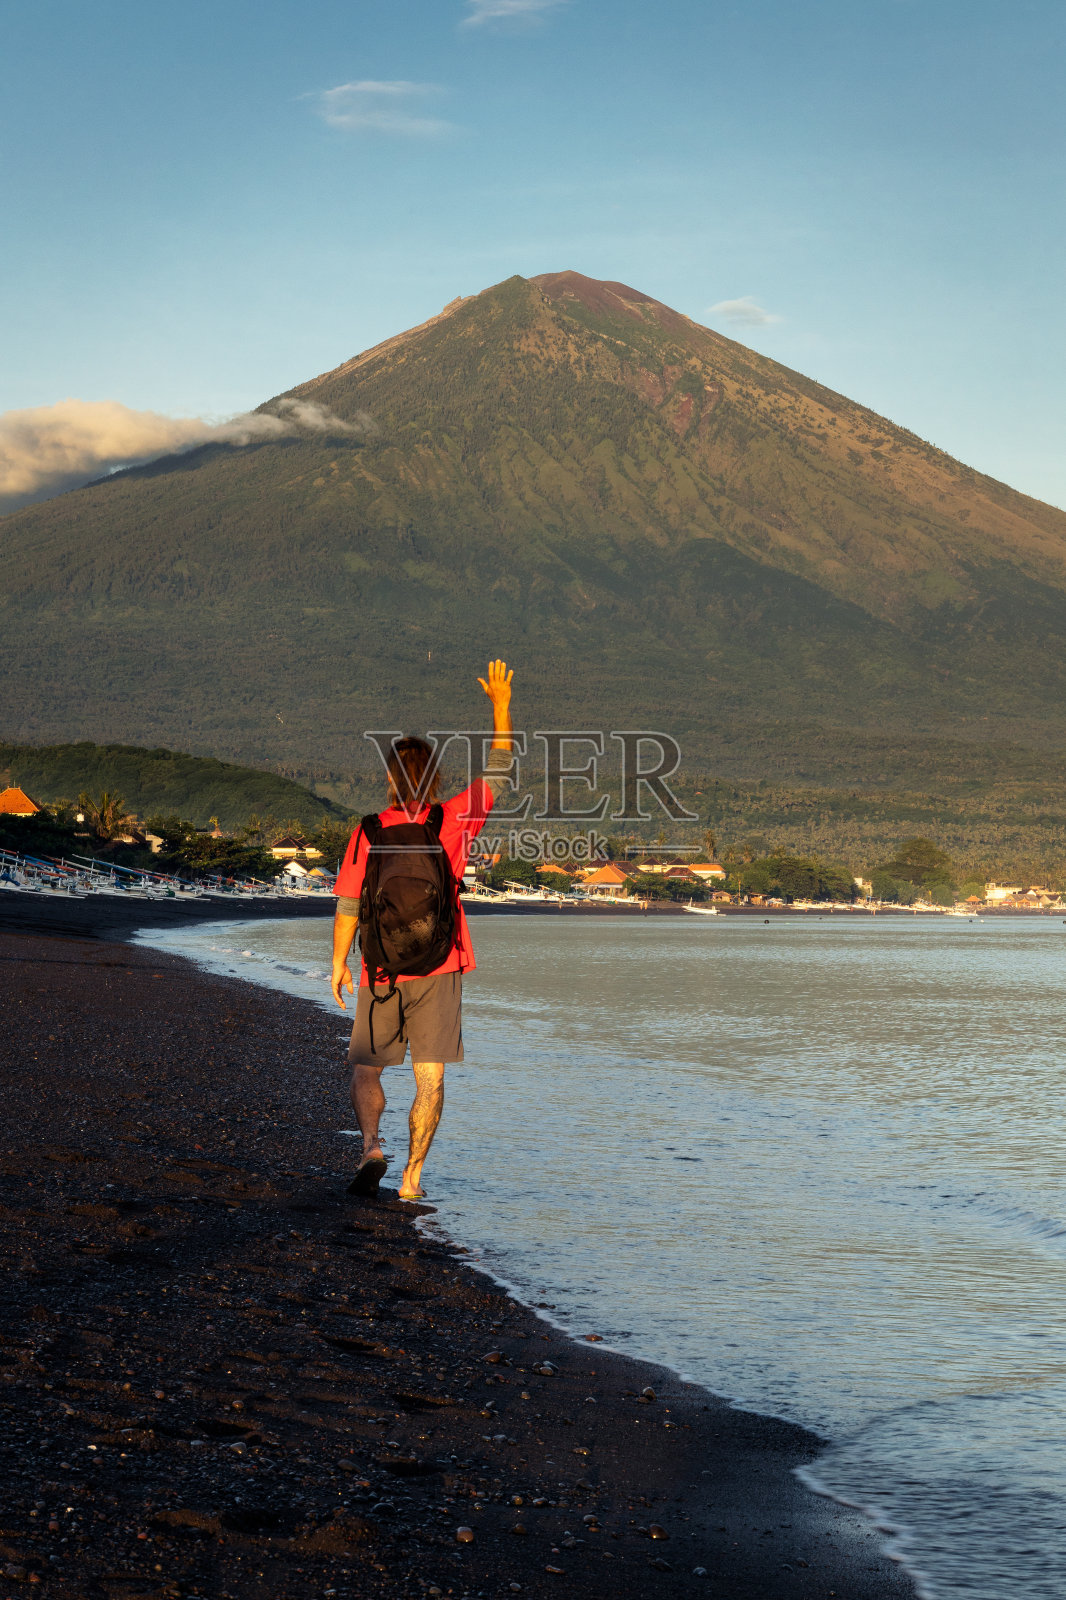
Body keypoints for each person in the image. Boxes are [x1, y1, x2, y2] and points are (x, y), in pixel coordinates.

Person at [331, 659, 515, 1200]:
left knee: (367, 1067)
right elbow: (501, 770)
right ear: (434, 779)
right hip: (441, 962)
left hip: (379, 966)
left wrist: (339, 964)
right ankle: (411, 1179)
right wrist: (501, 706)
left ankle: (371, 1148)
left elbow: (347, 905)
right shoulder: (453, 818)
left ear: (390, 779)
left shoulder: (368, 829)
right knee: (429, 1077)